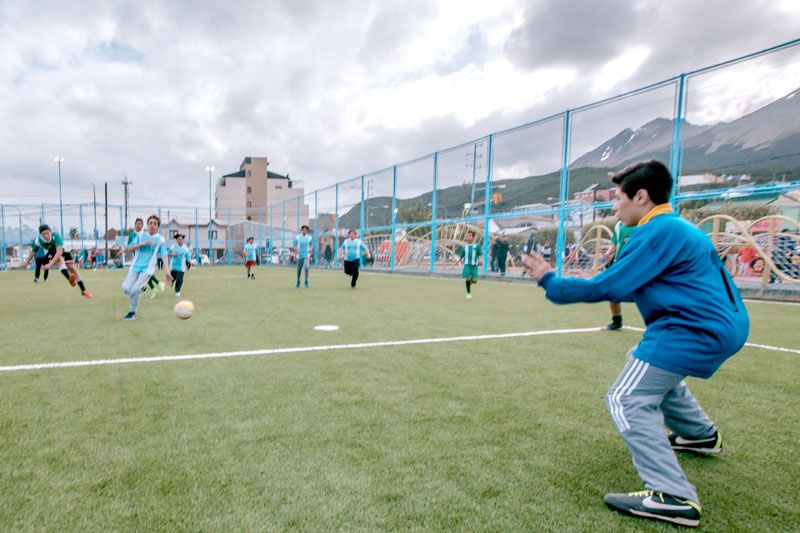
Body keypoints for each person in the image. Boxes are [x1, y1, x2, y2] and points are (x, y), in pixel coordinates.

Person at [521, 161, 749, 528]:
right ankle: (701, 435)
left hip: (693, 329)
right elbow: (620, 281)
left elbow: (609, 288)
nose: (615, 207)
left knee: (625, 397)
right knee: (643, 364)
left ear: (641, 197)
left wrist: (550, 280)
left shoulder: (656, 231)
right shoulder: (674, 228)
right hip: (718, 325)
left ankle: (672, 495)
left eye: (619, 199)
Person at [121, 215, 172, 321]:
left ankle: (132, 312)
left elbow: (164, 256)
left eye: (155, 224)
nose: (152, 225)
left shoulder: (160, 240)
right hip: (135, 266)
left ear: (158, 226)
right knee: (126, 289)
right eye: (151, 223)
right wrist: (142, 243)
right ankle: (142, 287)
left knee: (134, 290)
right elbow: (130, 248)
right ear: (147, 225)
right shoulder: (140, 235)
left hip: (148, 268)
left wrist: (167, 272)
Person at [22, 224, 92, 299]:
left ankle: (83, 290)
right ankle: (69, 278)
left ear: (50, 232)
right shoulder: (38, 241)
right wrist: (26, 261)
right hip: (49, 253)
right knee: (59, 260)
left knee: (73, 269)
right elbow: (33, 251)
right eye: (44, 234)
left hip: (62, 251)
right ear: (40, 234)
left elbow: (59, 252)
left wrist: (49, 265)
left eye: (48, 233)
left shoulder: (56, 236)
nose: (46, 235)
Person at [603, 219, 637, 331]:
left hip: (639, 263)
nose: (615, 207)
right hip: (620, 265)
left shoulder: (645, 220)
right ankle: (617, 321)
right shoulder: (619, 225)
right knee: (612, 293)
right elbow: (616, 242)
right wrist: (608, 253)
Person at [125, 218, 165, 299]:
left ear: (143, 225)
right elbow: (129, 246)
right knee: (142, 275)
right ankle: (155, 286)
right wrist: (123, 250)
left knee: (145, 274)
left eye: (140, 224)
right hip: (136, 258)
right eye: (137, 224)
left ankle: (154, 286)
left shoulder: (146, 234)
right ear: (135, 225)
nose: (138, 225)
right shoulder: (132, 235)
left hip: (147, 259)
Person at [458, 230, 482, 299]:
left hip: (474, 265)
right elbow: (461, 255)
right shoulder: (464, 247)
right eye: (467, 236)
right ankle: (468, 293)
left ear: (473, 237)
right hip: (467, 265)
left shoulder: (477, 246)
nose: (467, 237)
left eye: (469, 236)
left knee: (475, 281)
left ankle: (469, 283)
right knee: (468, 277)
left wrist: (480, 260)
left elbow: (480, 254)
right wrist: (459, 261)